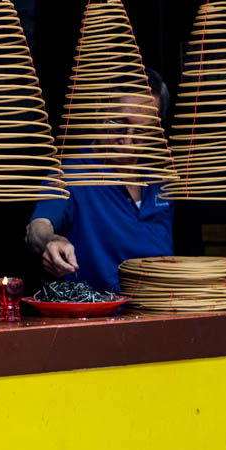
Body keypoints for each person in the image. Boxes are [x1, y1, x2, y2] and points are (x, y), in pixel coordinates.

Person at [24, 70, 174, 292]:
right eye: (119, 124)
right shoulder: (71, 176)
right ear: (100, 110)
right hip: (98, 319)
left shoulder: (161, 182)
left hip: (159, 313)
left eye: (142, 130)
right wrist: (50, 241)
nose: (128, 140)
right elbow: (37, 227)